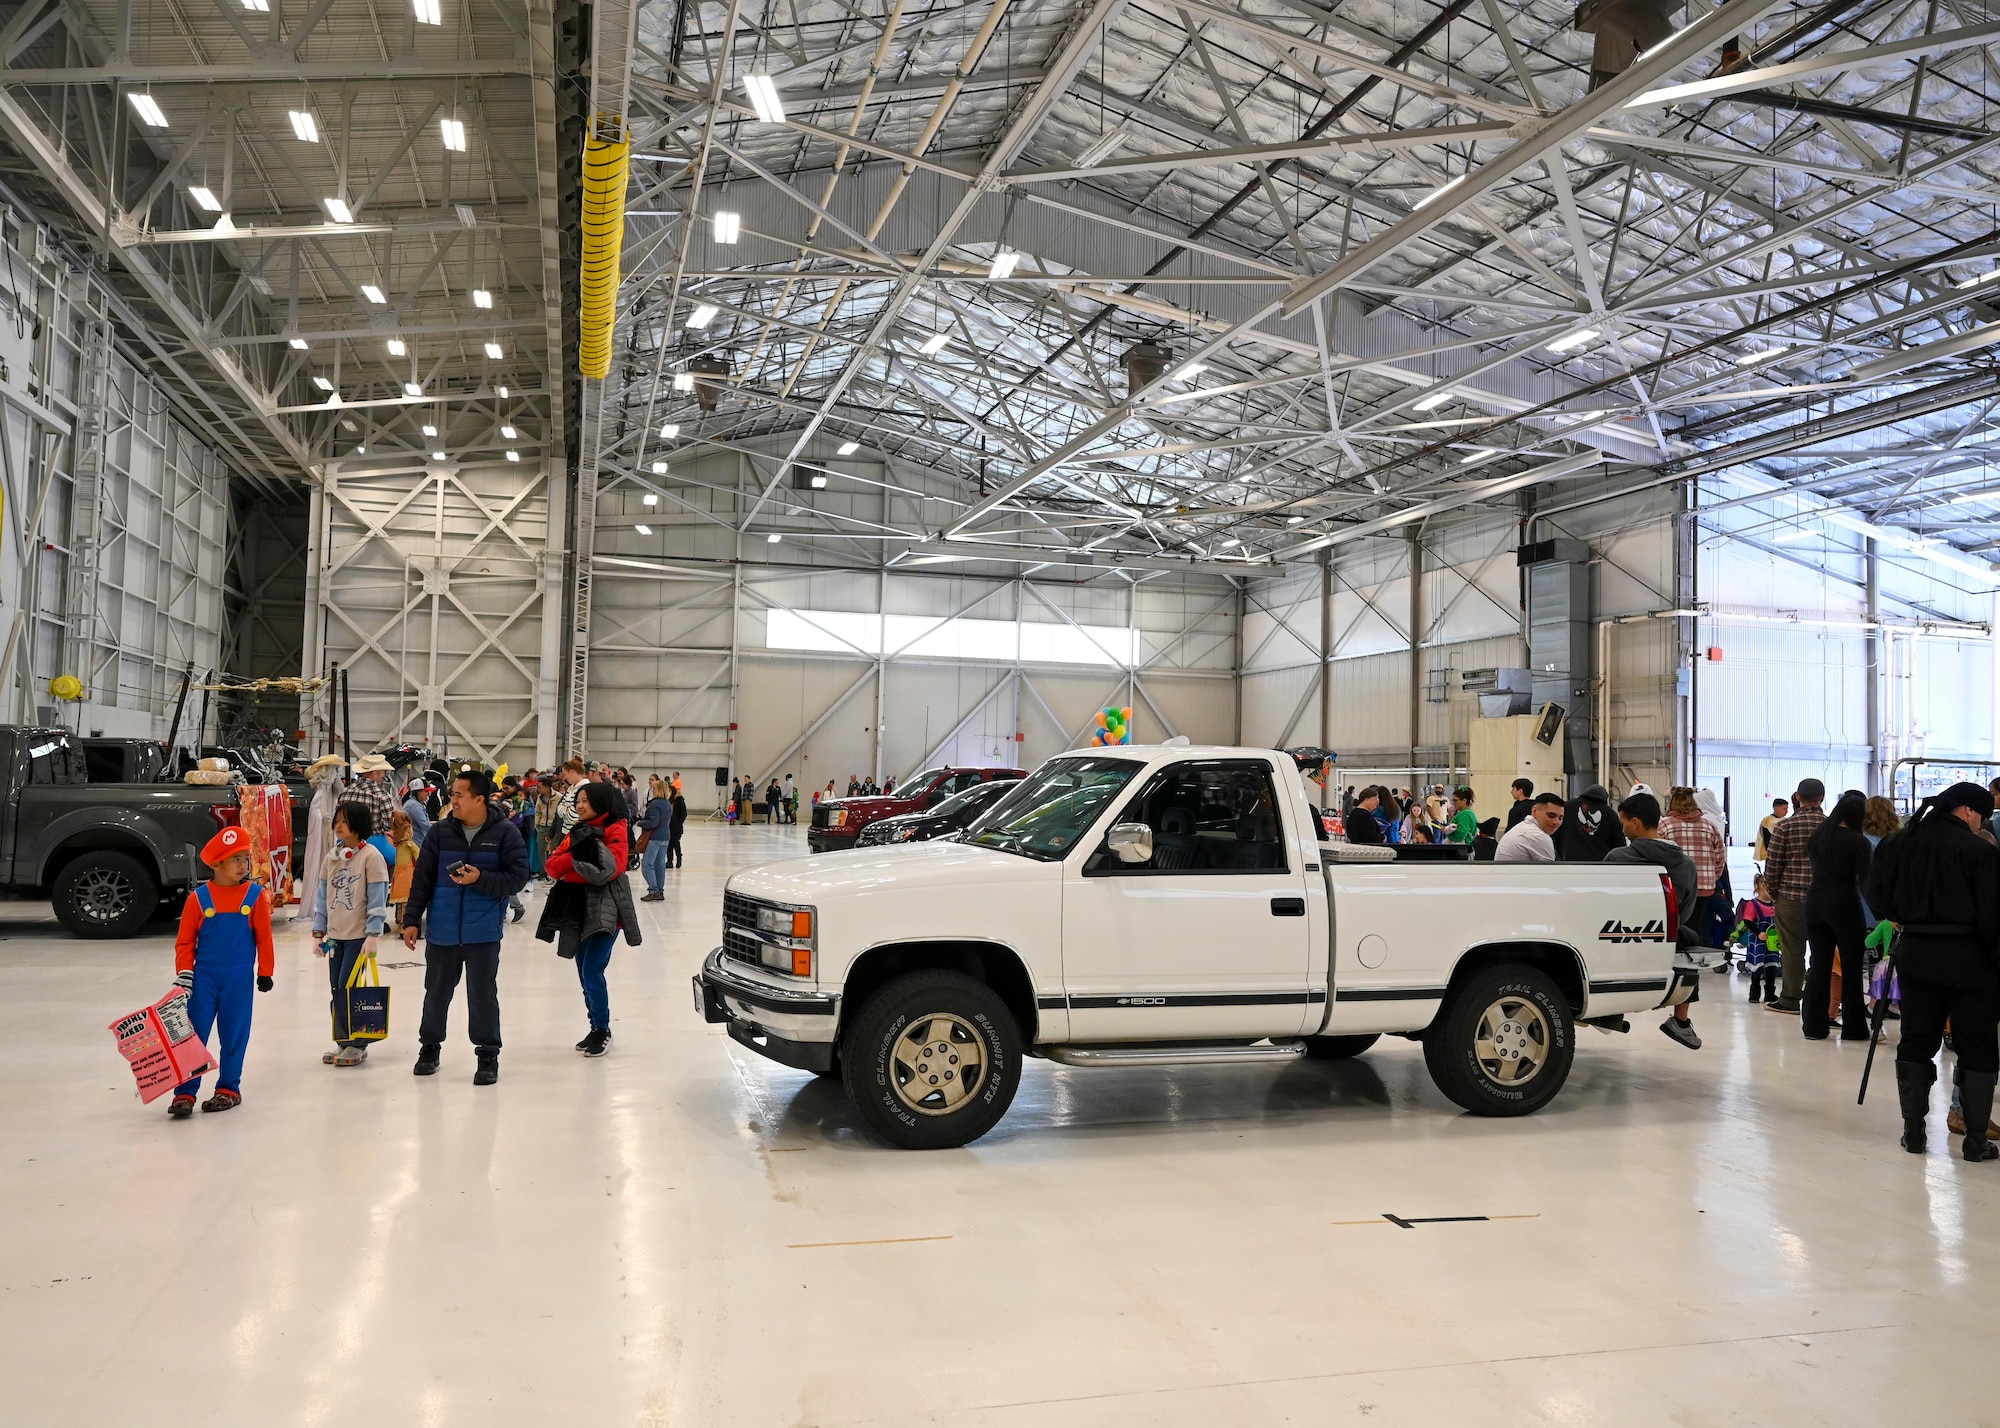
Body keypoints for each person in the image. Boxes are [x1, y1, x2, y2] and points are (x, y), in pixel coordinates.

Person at [1867, 781, 2000, 1161]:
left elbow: (1877, 898)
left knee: (1916, 1040)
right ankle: (1975, 1140)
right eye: (1982, 818)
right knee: (1977, 1046)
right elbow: (1992, 915)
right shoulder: (1979, 851)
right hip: (1970, 958)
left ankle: (1913, 1131)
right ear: (1968, 811)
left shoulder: (1898, 843)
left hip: (1917, 953)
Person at [402, 768, 530, 1085]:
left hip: (483, 932)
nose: (452, 800)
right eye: (453, 794)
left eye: (459, 795)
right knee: (436, 994)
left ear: (479, 799)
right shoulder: (440, 832)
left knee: (483, 995)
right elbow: (423, 879)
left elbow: (518, 877)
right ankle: (429, 1048)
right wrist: (411, 920)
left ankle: (488, 1054)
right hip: (442, 930)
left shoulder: (505, 833)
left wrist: (480, 879)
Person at [164, 826, 276, 1118]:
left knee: (234, 1033)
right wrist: (185, 972)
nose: (243, 865)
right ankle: (185, 1093)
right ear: (216, 864)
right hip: (204, 979)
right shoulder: (198, 899)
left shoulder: (255, 896)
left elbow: (264, 937)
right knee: (193, 1034)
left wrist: (265, 970)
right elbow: (185, 942)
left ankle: (228, 1089)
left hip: (239, 978)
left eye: (244, 859)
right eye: (235, 860)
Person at [539, 781, 641, 1057]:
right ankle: (595, 1026)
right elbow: (551, 865)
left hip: (606, 910)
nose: (579, 806)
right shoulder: (577, 830)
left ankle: (603, 1029)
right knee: (583, 969)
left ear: (600, 802)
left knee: (591, 971)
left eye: (585, 801)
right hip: (577, 909)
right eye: (578, 801)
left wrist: (569, 864)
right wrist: (572, 864)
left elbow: (608, 870)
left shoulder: (616, 829)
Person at [1603, 792, 1702, 1050]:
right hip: (1667, 935)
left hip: (1617, 935)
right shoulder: (1686, 864)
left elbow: (1602, 902)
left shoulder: (1618, 858)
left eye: (1624, 822)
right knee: (1692, 940)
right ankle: (1681, 1021)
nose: (1623, 829)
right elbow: (1687, 910)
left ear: (1635, 822)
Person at [312, 801, 391, 1068]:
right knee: (337, 990)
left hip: (359, 937)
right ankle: (343, 1041)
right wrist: (318, 932)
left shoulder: (371, 857)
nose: (338, 825)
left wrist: (373, 934)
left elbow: (378, 899)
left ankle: (358, 1045)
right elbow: (322, 898)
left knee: (351, 989)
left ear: (358, 825)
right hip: (336, 938)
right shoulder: (331, 858)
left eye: (344, 821)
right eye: (337, 820)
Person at [1802, 790, 1871, 1041]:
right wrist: (1885, 912)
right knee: (1852, 967)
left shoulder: (1819, 836)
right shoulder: (1857, 841)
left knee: (1819, 964)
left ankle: (1813, 1026)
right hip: (1843, 903)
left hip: (1814, 901)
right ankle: (1854, 1028)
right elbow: (1866, 882)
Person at [1761, 779, 1825, 1014]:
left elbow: (1773, 866)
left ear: (1797, 797)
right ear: (1823, 796)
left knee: (1792, 952)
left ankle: (1790, 999)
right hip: (1823, 899)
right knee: (1823, 951)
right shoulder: (1831, 827)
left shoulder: (1784, 827)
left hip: (1791, 897)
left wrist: (1777, 895)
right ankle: (1822, 1001)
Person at [1661, 788, 1725, 948]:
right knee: (1697, 925)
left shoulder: (1664, 825)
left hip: (1675, 887)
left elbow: (1657, 853)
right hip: (1704, 887)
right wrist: (1711, 878)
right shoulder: (1709, 826)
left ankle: (1679, 962)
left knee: (1675, 926)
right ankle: (1695, 965)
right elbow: (1720, 857)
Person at [1731, 875, 1781, 1000]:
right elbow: (1747, 921)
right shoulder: (1753, 904)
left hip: (1772, 943)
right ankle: (1754, 994)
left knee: (1771, 967)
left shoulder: (1774, 905)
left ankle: (1769, 994)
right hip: (1757, 942)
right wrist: (1758, 933)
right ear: (1763, 886)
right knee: (1757, 968)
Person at [1555, 783, 1625, 861]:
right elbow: (1620, 845)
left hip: (1570, 863)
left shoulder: (1567, 807)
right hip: (1600, 866)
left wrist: (1561, 856)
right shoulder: (1611, 814)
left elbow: (1555, 833)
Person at [1495, 793, 1565, 863]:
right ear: (1534, 811)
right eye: (1551, 815)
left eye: (1560, 818)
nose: (1556, 822)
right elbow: (1549, 872)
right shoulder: (1537, 836)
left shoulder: (1521, 828)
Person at [347, 753, 399, 838]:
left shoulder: (346, 791)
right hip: (373, 841)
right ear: (374, 773)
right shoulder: (382, 796)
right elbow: (389, 825)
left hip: (349, 839)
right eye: (383, 772)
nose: (384, 775)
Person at [637, 775, 672, 900]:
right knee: (660, 865)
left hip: (654, 838)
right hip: (665, 837)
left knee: (647, 864)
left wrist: (640, 823)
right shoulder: (668, 804)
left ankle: (653, 889)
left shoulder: (654, 804)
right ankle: (659, 890)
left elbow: (653, 823)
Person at [388, 808, 420, 931]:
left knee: (401, 903)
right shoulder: (409, 845)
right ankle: (404, 924)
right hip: (407, 876)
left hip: (399, 875)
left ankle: (400, 921)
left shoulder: (399, 845)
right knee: (406, 902)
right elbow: (419, 856)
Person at [556, 757, 589, 836]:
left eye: (565, 774)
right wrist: (567, 810)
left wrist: (565, 810)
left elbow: (573, 816)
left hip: (578, 833)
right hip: (566, 832)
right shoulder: (571, 788)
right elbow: (559, 808)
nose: (564, 777)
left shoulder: (585, 788)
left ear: (571, 772)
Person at [401, 778, 433, 847]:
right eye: (426, 791)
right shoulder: (415, 806)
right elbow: (425, 825)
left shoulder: (413, 803)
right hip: (417, 843)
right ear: (418, 792)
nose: (428, 794)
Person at [1755, 797, 1789, 862]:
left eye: (1787, 809)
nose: (1786, 811)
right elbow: (1768, 838)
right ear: (1776, 808)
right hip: (1772, 851)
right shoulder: (1767, 820)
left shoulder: (1785, 820)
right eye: (1784, 809)